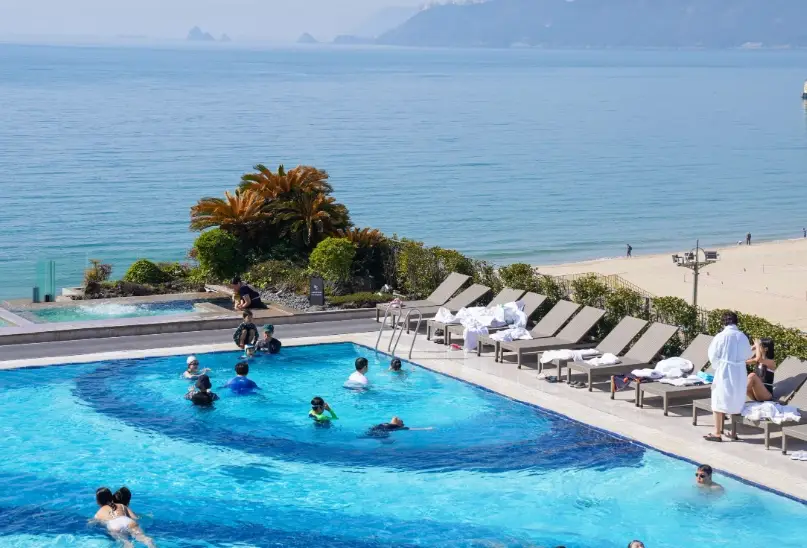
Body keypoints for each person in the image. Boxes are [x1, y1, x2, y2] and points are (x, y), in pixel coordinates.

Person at [704, 311, 753, 442]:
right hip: (739, 371)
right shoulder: (742, 336)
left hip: (724, 370)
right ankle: (733, 432)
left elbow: (712, 355)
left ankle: (717, 432)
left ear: (724, 322)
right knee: (735, 399)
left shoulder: (721, 336)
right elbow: (748, 354)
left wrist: (718, 364)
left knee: (718, 400)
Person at [746, 338, 776, 402]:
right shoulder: (757, 359)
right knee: (744, 379)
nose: (758, 348)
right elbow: (745, 359)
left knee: (752, 375)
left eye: (760, 346)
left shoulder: (771, 362)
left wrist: (757, 346)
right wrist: (753, 347)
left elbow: (758, 359)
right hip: (756, 394)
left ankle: (737, 396)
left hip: (766, 395)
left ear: (766, 349)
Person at [365, 417, 432, 438]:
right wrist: (426, 428)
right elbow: (411, 429)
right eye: (402, 424)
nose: (403, 425)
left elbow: (374, 426)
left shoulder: (386, 423)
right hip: (380, 433)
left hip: (373, 429)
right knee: (388, 441)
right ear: (399, 424)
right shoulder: (397, 427)